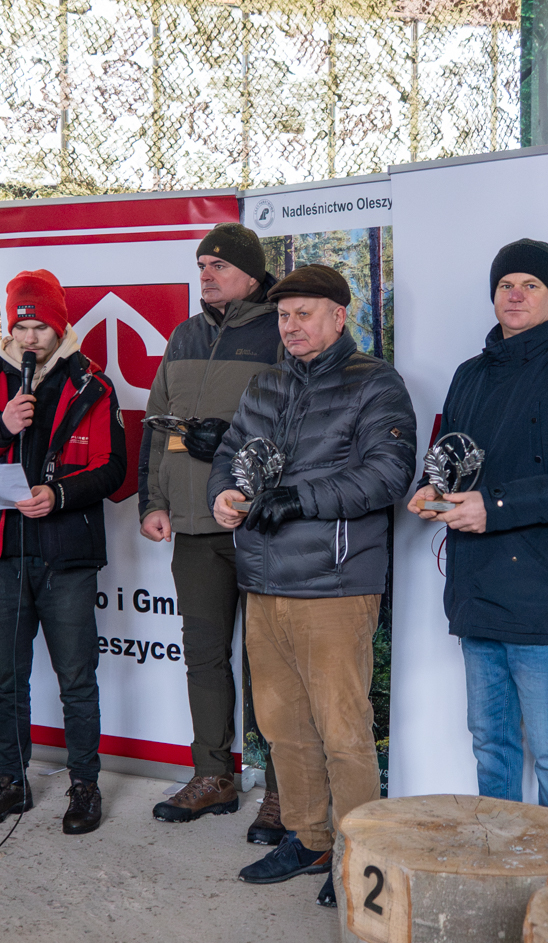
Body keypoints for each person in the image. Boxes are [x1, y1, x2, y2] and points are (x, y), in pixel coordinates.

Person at [209, 264, 415, 907]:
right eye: (284, 315)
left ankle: (360, 858)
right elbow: (231, 454)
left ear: (339, 317)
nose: (291, 326)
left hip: (334, 584)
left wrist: (300, 499)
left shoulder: (374, 383)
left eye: (305, 314)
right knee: (282, 724)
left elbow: (388, 474)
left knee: (343, 730)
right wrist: (226, 494)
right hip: (265, 580)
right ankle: (311, 836)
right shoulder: (266, 384)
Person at [408, 238, 548, 815]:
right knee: (492, 746)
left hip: (546, 595)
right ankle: (497, 867)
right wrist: (432, 487)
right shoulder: (469, 375)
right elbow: (448, 453)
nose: (515, 295)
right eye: (506, 285)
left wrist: (495, 506)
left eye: (531, 285)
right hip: (476, 590)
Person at [0, 269, 125, 835]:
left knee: (77, 676)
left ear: (60, 324)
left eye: (40, 325)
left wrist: (60, 494)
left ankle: (85, 785)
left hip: (65, 555)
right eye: (20, 325)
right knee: (7, 677)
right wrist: (1, 426)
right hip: (0, 552)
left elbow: (114, 471)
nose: (29, 337)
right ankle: (12, 780)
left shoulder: (91, 384)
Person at [137, 222, 284, 841]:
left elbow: (297, 423)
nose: (206, 275)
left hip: (263, 524)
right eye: (201, 266)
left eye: (218, 265)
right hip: (193, 524)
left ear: (250, 274)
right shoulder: (185, 335)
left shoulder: (281, 330)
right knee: (203, 654)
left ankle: (283, 790)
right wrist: (153, 499)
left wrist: (228, 445)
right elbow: (157, 422)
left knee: (273, 662)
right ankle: (212, 775)